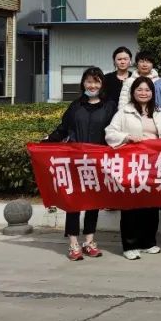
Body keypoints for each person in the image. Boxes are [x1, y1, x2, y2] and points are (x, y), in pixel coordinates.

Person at [45, 66, 116, 261]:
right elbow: (63, 129)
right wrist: (46, 141)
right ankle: (74, 244)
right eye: (89, 81)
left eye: (96, 82)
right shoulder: (75, 106)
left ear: (102, 84)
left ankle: (89, 241)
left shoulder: (110, 106)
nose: (92, 85)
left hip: (98, 163)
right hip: (75, 162)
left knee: (93, 203)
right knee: (73, 203)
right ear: (83, 83)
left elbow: (115, 132)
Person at [105, 76, 161, 260]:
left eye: (147, 90)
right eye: (139, 89)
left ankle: (148, 242)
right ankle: (130, 245)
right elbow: (110, 133)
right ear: (133, 92)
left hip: (154, 164)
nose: (143, 93)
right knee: (131, 205)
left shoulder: (158, 112)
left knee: (151, 205)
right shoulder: (124, 112)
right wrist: (127, 137)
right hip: (132, 165)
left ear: (152, 93)